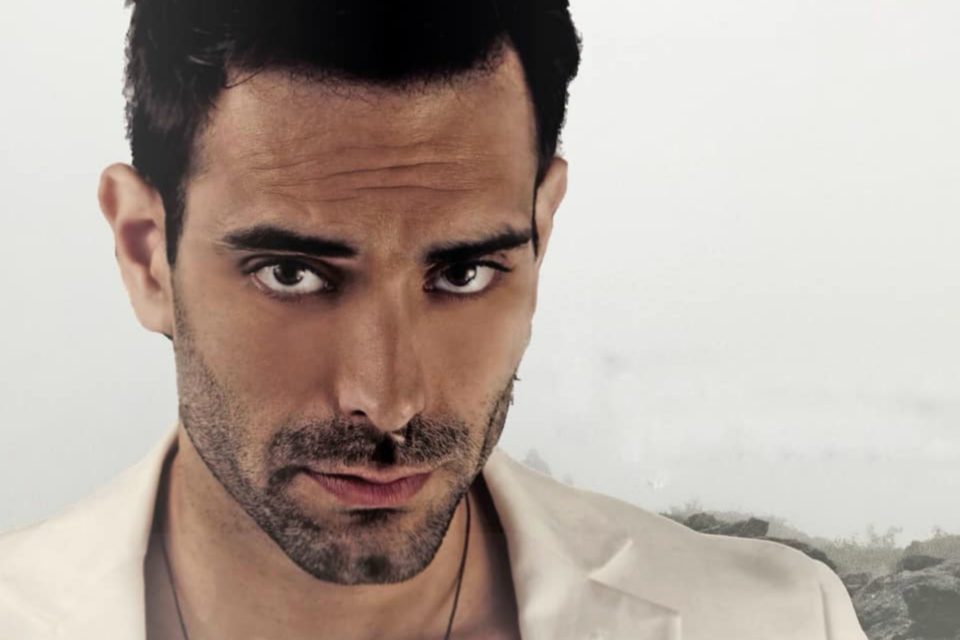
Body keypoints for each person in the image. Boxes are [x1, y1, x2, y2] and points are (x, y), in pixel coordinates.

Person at [0, 1, 868, 638]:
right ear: (146, 255)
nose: (387, 401)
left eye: (463, 272)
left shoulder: (777, 623)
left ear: (542, 231)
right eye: (292, 274)